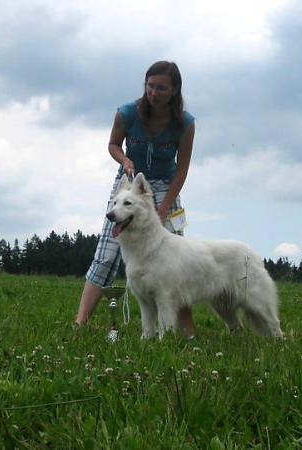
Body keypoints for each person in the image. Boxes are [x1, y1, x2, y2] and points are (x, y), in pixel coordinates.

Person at [75, 61, 196, 337]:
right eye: (150, 86)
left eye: (161, 88)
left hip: (166, 186)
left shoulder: (186, 124)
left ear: (175, 90)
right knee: (106, 256)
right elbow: (113, 144)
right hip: (129, 184)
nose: (154, 92)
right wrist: (125, 158)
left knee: (176, 259)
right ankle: (80, 322)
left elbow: (183, 168)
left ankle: (188, 330)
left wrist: (163, 209)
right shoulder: (127, 113)